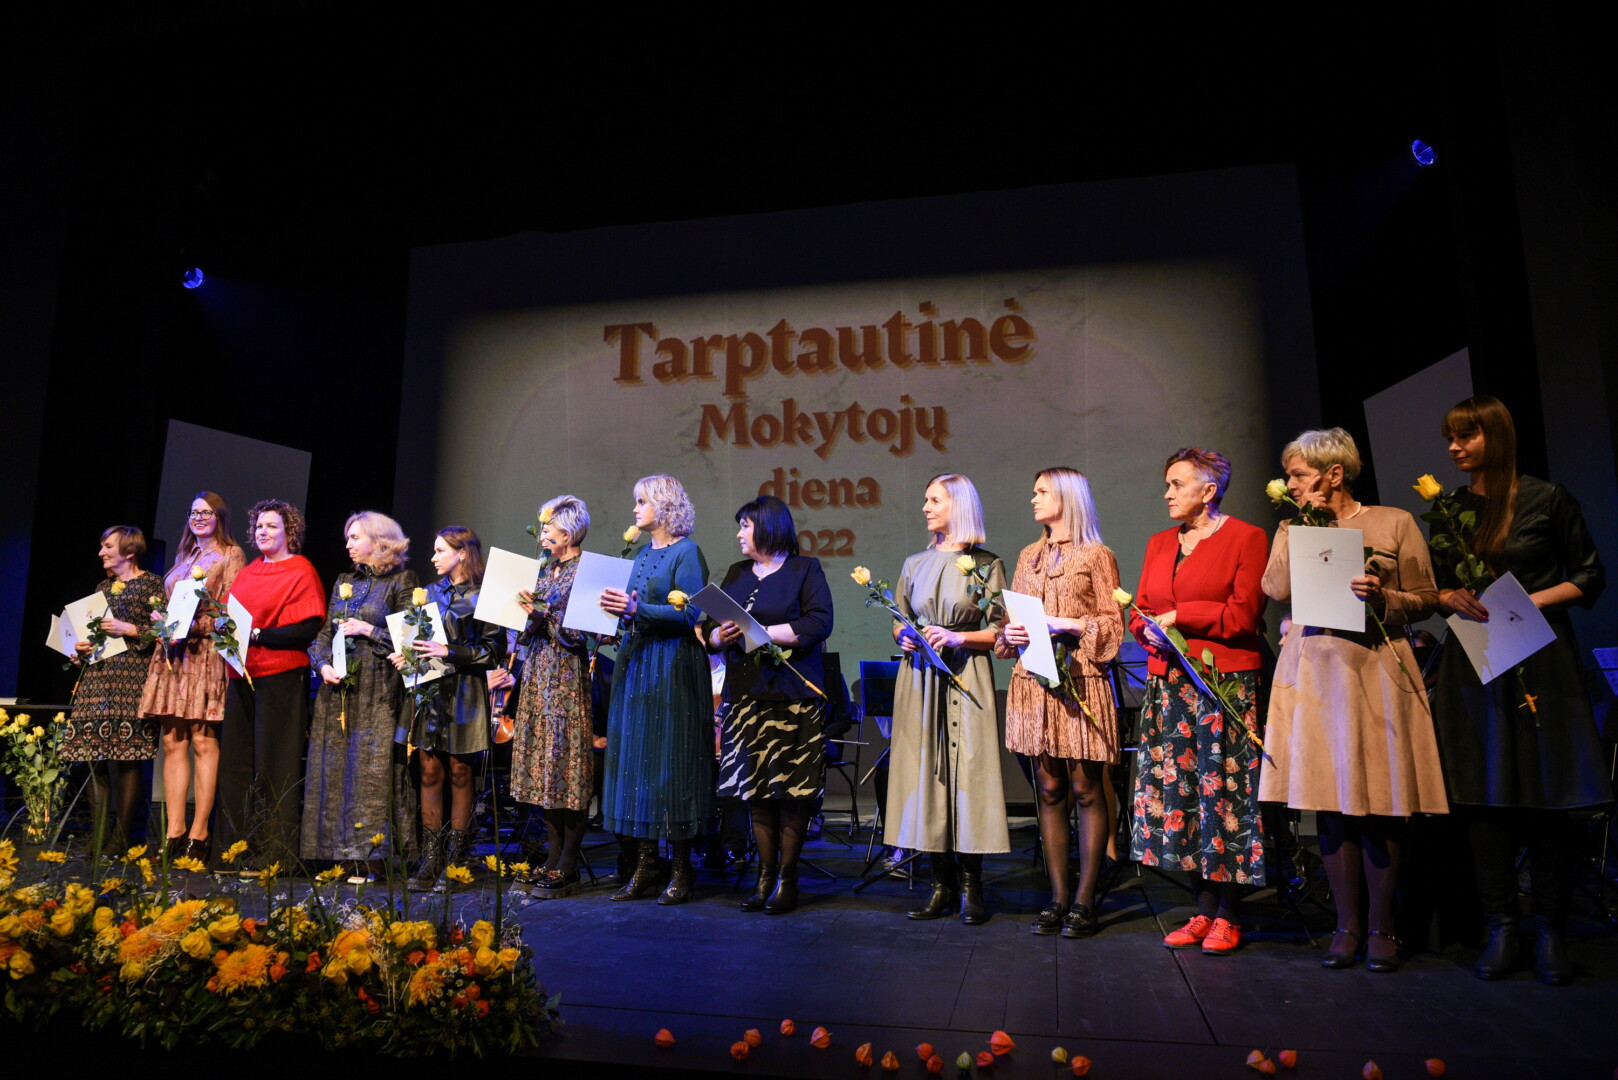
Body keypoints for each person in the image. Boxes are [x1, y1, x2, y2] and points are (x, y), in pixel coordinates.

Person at [1430, 396, 1609, 984]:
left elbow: (1589, 576)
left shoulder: (1546, 498)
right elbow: (1435, 586)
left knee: (1551, 790)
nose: (1455, 447)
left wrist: (1530, 601)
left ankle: (1551, 929)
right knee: (1485, 791)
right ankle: (1501, 926)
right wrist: (1446, 597)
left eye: (1466, 436)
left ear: (1497, 436)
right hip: (1477, 660)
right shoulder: (1449, 508)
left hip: (1541, 656)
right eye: (1450, 437)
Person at [1258, 428, 1447, 971]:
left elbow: (1427, 598)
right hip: (1314, 670)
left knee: (1382, 800)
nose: (1291, 484)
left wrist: (1383, 598)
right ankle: (1346, 924)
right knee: (1329, 800)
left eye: (1298, 474)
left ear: (1333, 474)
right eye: (1289, 476)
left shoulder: (1393, 522)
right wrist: (1300, 528)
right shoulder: (1291, 526)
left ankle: (1383, 925)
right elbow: (1275, 590)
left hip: (1374, 669)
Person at [1128, 448, 1268, 955]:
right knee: (1182, 798)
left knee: (1224, 799)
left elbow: (1243, 615)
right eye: (1167, 484)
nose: (1167, 493)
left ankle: (1229, 913)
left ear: (1208, 491)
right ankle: (1202, 909)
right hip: (1170, 685)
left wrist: (1180, 617)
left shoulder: (1247, 538)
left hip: (1220, 684)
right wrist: (1147, 632)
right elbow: (1140, 611)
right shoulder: (1160, 542)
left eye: (1177, 484)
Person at [995, 468, 1124, 938]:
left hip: (1081, 683)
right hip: (1034, 683)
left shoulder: (1097, 555)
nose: (1033, 499)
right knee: (1048, 789)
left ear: (1067, 498)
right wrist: (1009, 634)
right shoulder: (1027, 556)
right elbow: (1010, 626)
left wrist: (1066, 624)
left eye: (1042, 492)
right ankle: (1058, 897)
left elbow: (1113, 626)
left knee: (1086, 788)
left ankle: (1085, 901)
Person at [885, 473, 1010, 925]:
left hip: (966, 674)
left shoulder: (986, 564)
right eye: (925, 499)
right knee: (928, 776)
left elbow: (1002, 630)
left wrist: (958, 637)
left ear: (958, 505)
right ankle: (941, 885)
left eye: (934, 500)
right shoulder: (915, 563)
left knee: (969, 775)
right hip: (921, 678)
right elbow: (899, 618)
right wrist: (903, 635)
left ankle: (972, 886)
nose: (925, 507)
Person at [706, 495, 835, 915]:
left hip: (791, 697)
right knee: (756, 791)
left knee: (791, 793)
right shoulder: (737, 573)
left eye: (745, 526)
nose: (739, 534)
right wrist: (719, 635)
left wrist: (761, 631)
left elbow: (819, 623)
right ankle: (763, 877)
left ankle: (787, 878)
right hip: (745, 695)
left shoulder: (804, 569)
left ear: (767, 526)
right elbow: (711, 629)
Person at [598, 474, 712, 905]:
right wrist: (614, 619)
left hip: (672, 664)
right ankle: (646, 864)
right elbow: (632, 610)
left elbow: (691, 614)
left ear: (664, 506)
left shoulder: (686, 552)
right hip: (638, 663)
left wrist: (636, 609)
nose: (634, 509)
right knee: (636, 763)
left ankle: (682, 869)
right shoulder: (642, 553)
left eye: (641, 501)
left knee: (671, 761)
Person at [301, 511, 420, 879]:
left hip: (379, 689)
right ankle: (336, 854)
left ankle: (373, 855)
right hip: (339, 690)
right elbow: (324, 635)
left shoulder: (402, 581)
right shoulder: (343, 581)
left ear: (379, 540)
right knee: (335, 769)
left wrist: (369, 630)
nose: (348, 544)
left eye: (355, 537)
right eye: (347, 537)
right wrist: (322, 664)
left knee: (371, 770)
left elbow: (414, 643)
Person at [215, 499, 326, 870]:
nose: (262, 531)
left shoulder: (301, 570)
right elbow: (231, 616)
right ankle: (234, 850)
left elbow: (306, 629)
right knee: (236, 766)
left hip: (280, 676)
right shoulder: (249, 572)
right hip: (241, 675)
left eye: (272, 526)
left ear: (289, 532)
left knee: (274, 765)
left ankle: (273, 854)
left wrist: (259, 635)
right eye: (259, 526)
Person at [394, 526, 505, 890]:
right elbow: (415, 640)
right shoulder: (428, 593)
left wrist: (450, 651)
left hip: (465, 691)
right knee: (429, 772)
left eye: (440, 550)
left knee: (460, 773)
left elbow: (493, 651)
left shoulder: (485, 595)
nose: (433, 557)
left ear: (462, 553)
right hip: (430, 690)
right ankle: (431, 859)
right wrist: (405, 655)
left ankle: (456, 862)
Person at [139, 492, 247, 862]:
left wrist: (190, 626)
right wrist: (163, 620)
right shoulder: (185, 556)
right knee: (172, 742)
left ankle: (199, 833)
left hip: (203, 655)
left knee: (202, 740)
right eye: (193, 512)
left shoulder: (231, 555)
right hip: (172, 656)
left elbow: (229, 613)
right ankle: (174, 832)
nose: (198, 517)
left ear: (220, 516)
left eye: (206, 512)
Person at [511, 495, 596, 897]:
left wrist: (544, 617)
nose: (543, 533)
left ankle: (568, 862)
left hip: (565, 678)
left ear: (568, 532)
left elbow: (582, 634)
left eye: (549, 527)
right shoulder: (545, 569)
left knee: (566, 766)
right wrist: (526, 618)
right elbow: (528, 628)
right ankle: (552, 855)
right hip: (537, 675)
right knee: (545, 766)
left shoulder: (586, 571)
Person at [65, 526, 165, 849]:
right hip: (97, 679)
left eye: (108, 546)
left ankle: (121, 838)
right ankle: (98, 837)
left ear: (129, 551)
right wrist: (81, 648)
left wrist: (129, 628)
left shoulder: (152, 584)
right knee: (94, 756)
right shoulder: (102, 587)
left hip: (131, 678)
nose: (101, 553)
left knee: (128, 757)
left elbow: (165, 631)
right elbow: (94, 634)